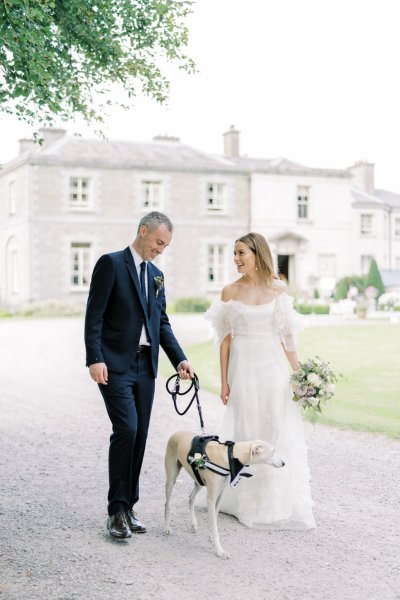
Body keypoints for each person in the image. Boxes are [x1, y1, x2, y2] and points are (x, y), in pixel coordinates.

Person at [84, 211, 194, 539]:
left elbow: (162, 323)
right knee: (127, 429)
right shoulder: (111, 264)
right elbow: (95, 315)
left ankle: (129, 506)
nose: (161, 249)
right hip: (114, 365)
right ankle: (115, 511)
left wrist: (180, 360)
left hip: (146, 367)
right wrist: (94, 358)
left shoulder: (157, 275)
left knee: (141, 434)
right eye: (159, 242)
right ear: (143, 231)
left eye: (166, 245)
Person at [205, 232, 315, 529]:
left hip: (273, 367)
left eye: (242, 253)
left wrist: (301, 376)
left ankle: (276, 499)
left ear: (257, 254)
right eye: (235, 253)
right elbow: (224, 341)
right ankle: (244, 499)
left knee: (274, 427)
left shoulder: (278, 289)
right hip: (243, 368)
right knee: (246, 428)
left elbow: (287, 339)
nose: (236, 259)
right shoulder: (229, 292)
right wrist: (225, 382)